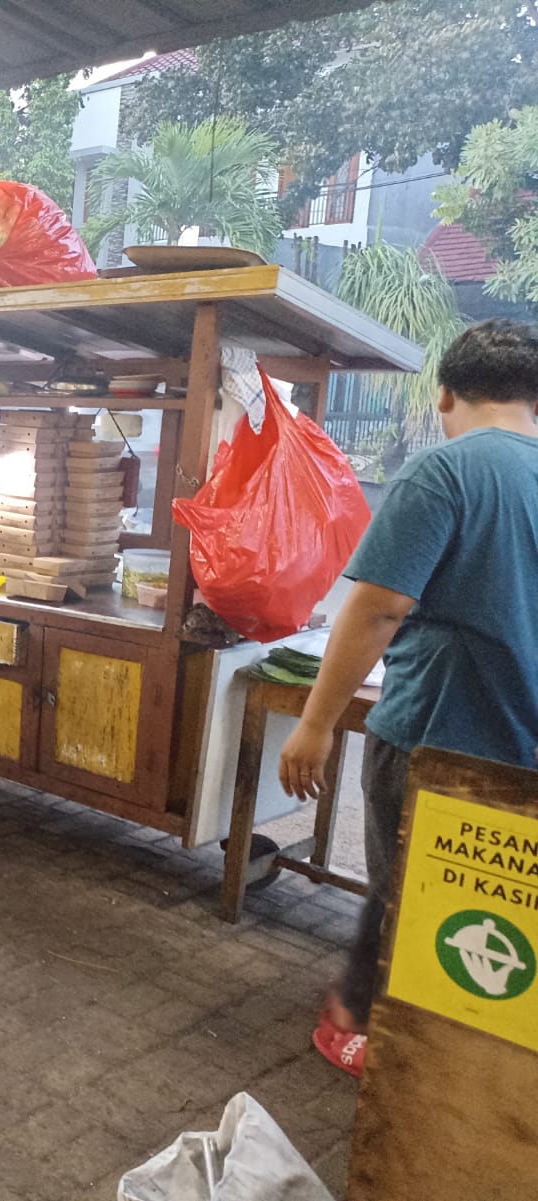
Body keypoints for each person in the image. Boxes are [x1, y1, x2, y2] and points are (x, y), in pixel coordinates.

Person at [279, 319, 538, 1076]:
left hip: (434, 737)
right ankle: (454, 1045)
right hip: (521, 748)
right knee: (487, 904)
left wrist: (315, 724)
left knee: (405, 891)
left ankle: (380, 1037)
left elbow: (379, 606)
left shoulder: (444, 472)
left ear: (445, 394)